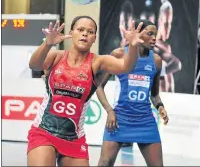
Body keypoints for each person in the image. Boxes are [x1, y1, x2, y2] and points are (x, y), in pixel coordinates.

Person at [27, 15, 145, 167]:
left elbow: (126, 67)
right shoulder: (56, 57)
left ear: (94, 37)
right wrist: (48, 44)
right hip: (44, 132)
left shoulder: (98, 62)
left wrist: (133, 46)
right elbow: (34, 65)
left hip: (74, 138)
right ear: (71, 33)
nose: (84, 34)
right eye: (80, 29)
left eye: (90, 32)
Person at [96, 19, 169, 167]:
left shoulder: (156, 61)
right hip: (119, 119)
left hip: (145, 120)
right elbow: (98, 86)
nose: (154, 38)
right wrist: (110, 111)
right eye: (150, 34)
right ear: (137, 33)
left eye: (156, 34)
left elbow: (154, 94)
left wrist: (160, 107)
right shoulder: (118, 54)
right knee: (105, 163)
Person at [154, 0, 182, 92]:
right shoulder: (154, 46)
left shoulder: (166, 46)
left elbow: (169, 82)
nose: (168, 28)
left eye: (169, 23)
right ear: (160, 21)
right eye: (165, 23)